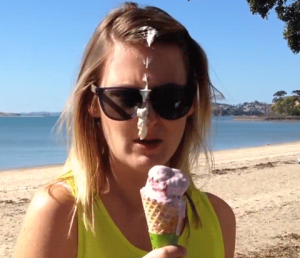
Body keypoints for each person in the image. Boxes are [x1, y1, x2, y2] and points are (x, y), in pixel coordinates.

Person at [14, 2, 236, 258]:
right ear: (92, 104)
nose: (148, 119)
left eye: (171, 99)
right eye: (125, 99)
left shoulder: (218, 219)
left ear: (192, 106)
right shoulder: (60, 214)